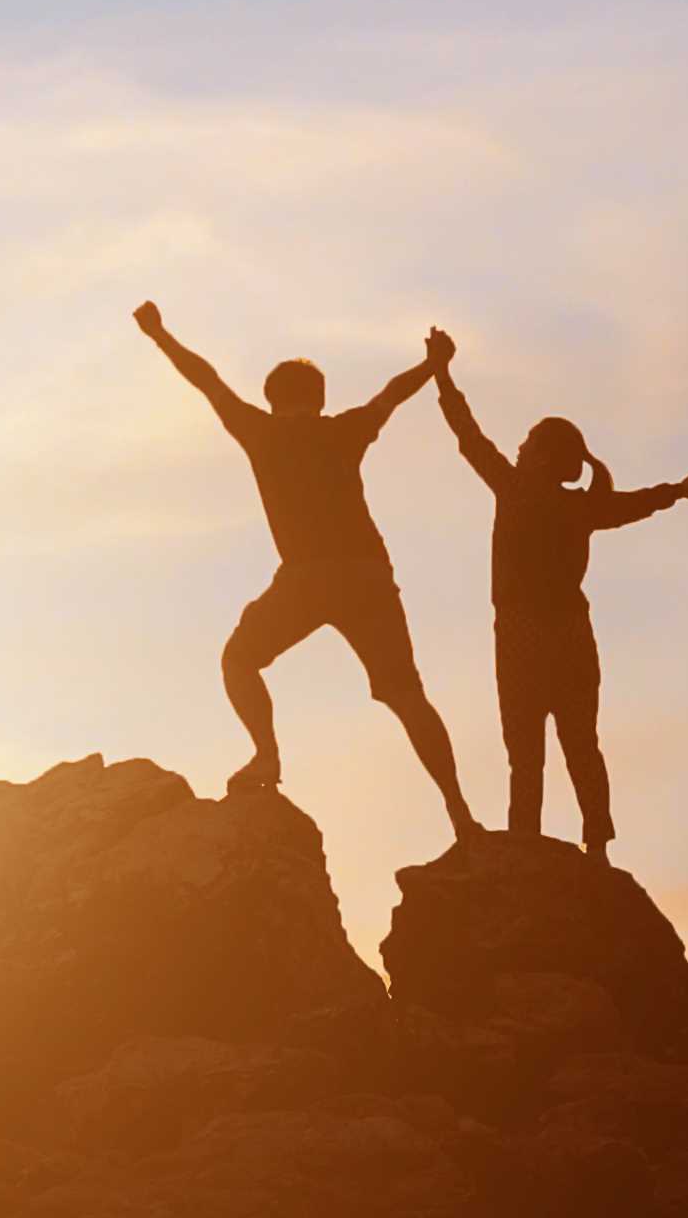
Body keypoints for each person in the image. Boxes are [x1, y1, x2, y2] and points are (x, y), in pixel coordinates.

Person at [133, 301, 475, 833]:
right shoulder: (345, 429)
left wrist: (159, 333)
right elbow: (391, 394)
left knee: (239, 659)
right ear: (319, 400)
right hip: (368, 576)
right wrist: (434, 364)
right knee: (408, 695)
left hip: (308, 577)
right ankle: (461, 814)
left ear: (271, 400)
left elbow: (207, 379)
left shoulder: (259, 432)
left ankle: (266, 756)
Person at [425, 329, 688, 859]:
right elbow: (634, 504)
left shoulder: (513, 489)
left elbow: (467, 434)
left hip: (522, 635)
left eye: (528, 442)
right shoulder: (579, 507)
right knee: (580, 745)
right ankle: (596, 845)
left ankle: (526, 846)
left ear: (540, 457)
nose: (518, 446)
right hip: (570, 635)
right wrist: (676, 490)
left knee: (526, 752)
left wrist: (442, 374)